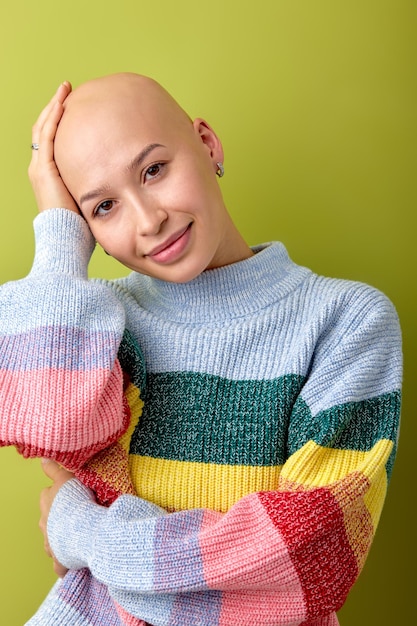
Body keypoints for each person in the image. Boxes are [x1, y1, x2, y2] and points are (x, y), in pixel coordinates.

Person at [0, 73, 402, 626]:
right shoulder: (98, 324)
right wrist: (57, 238)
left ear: (207, 143)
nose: (149, 220)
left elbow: (304, 562)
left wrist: (80, 527)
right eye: (103, 208)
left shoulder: (344, 321)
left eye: (154, 170)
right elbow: (43, 427)